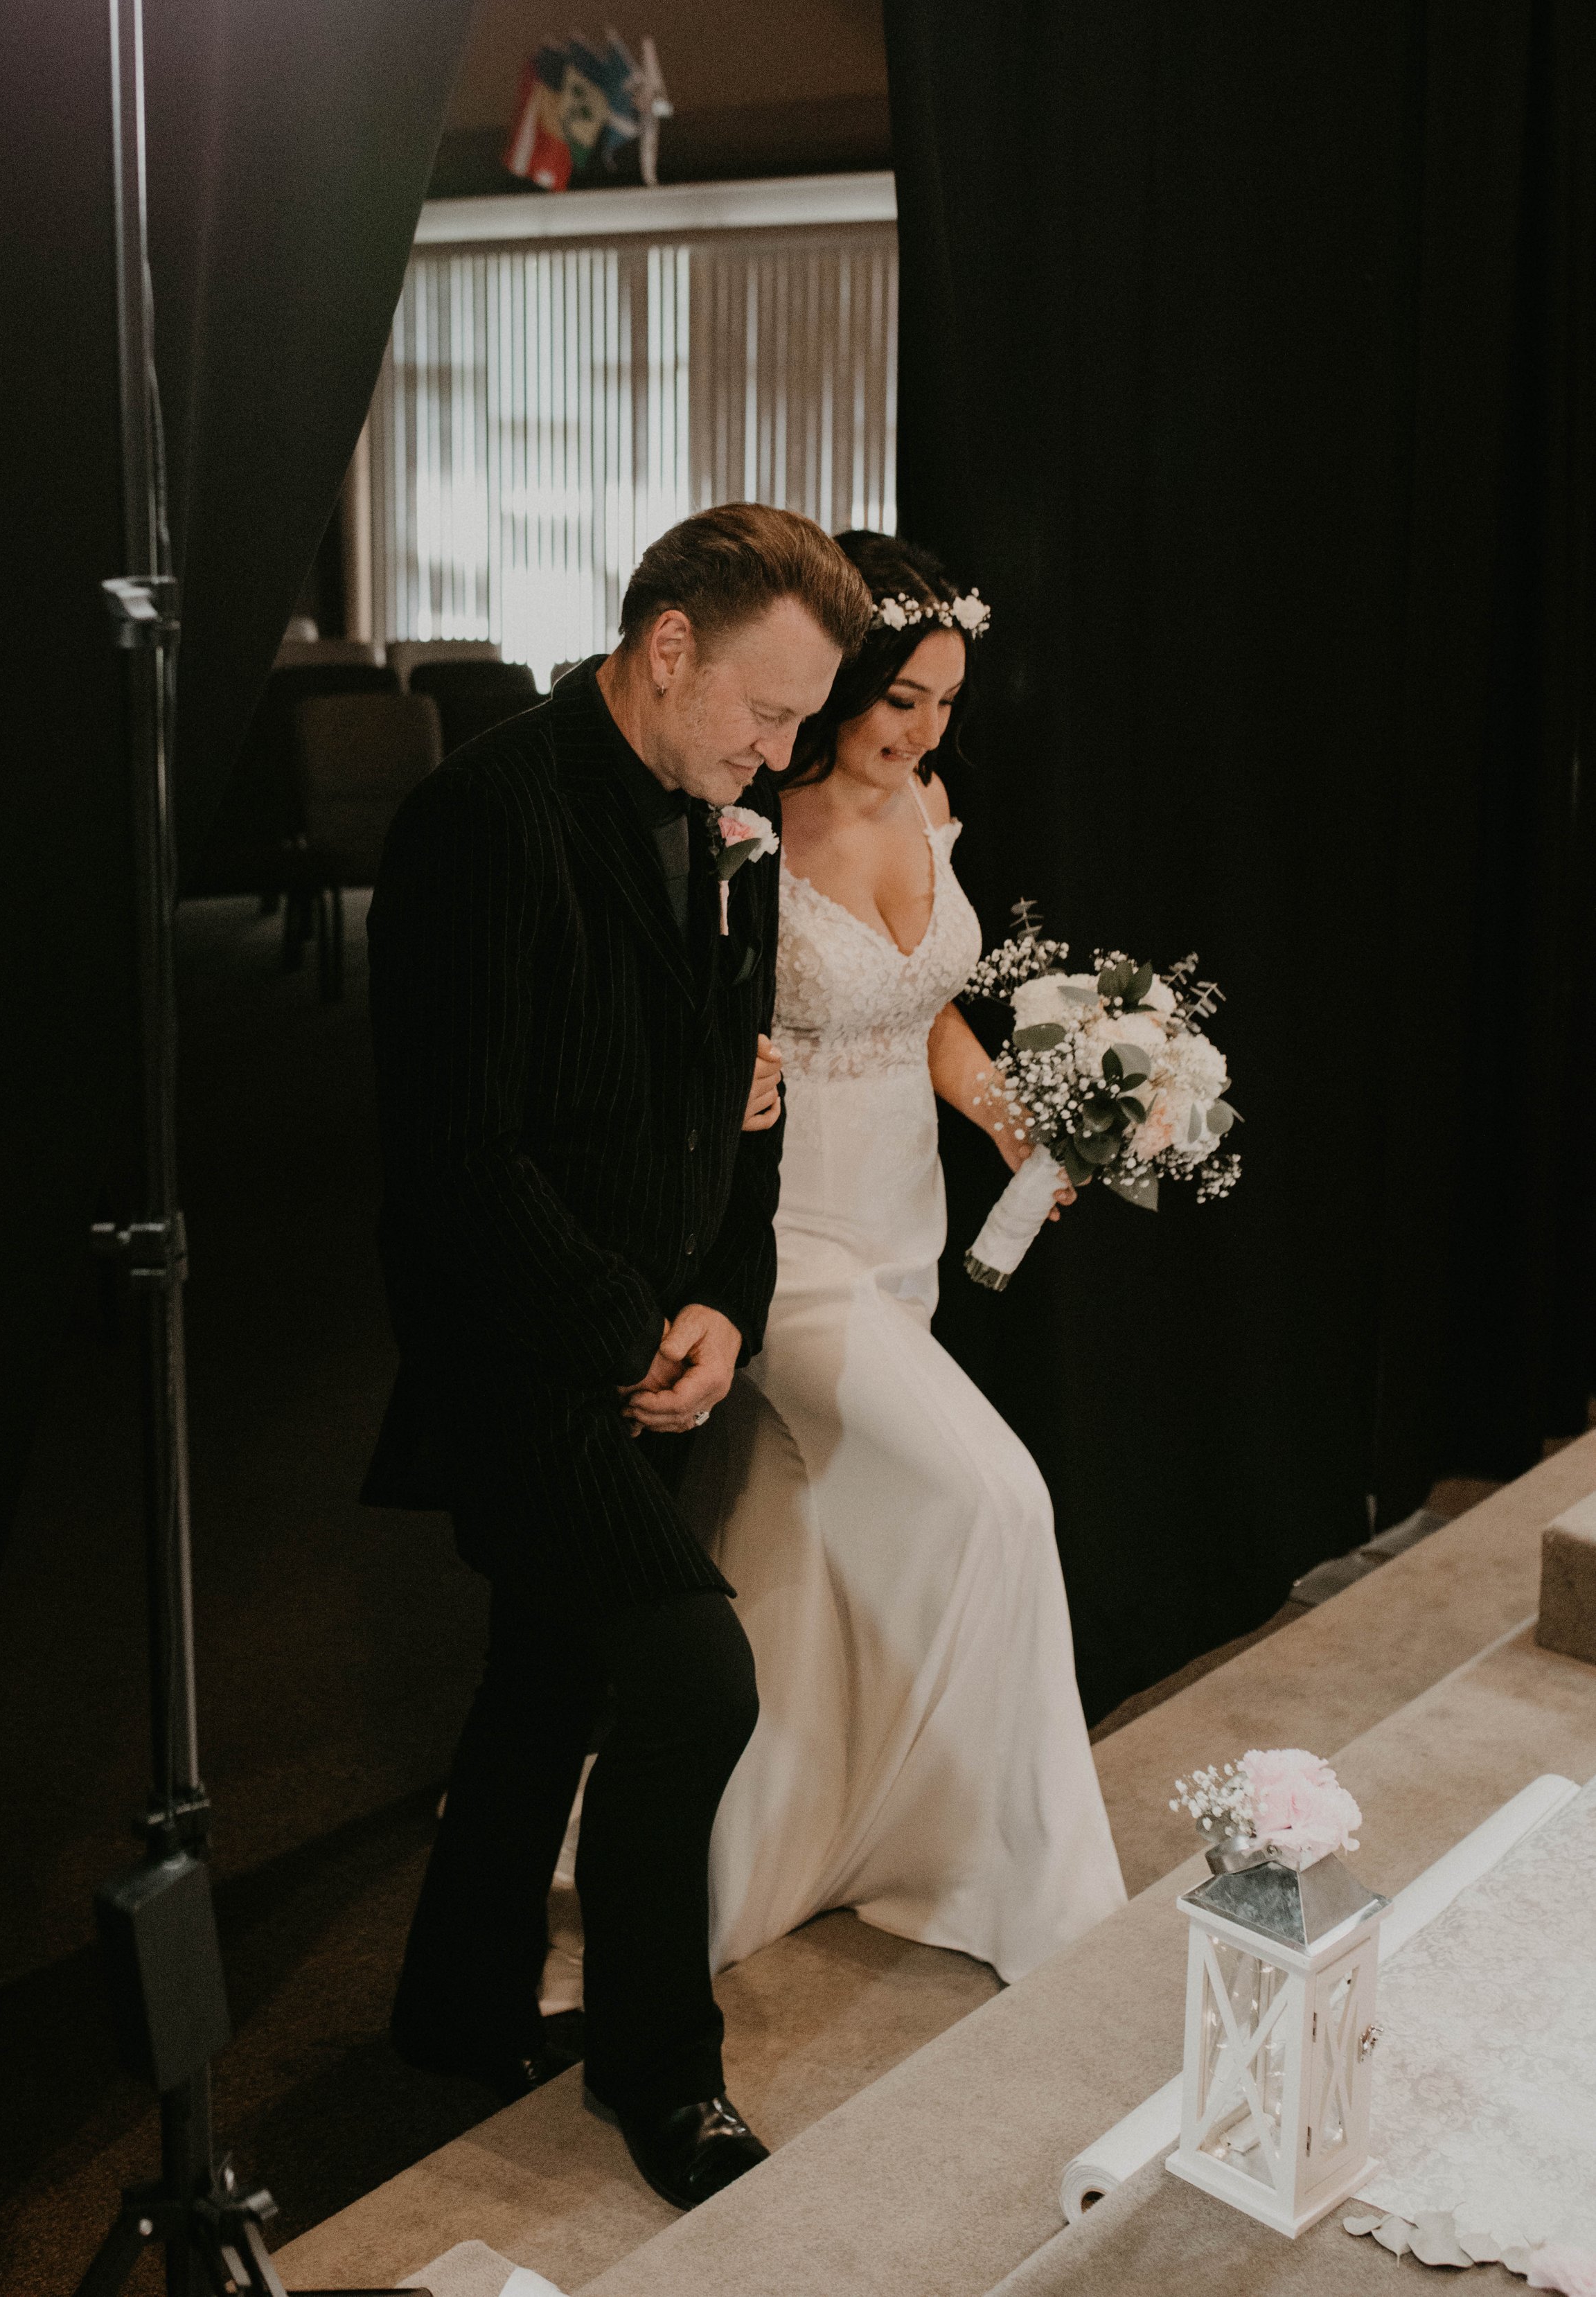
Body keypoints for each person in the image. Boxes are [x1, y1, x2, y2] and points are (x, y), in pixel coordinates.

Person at [360, 504, 871, 2210]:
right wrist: (630, 1329)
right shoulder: (478, 821)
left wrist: (727, 1290)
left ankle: (451, 2009)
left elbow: (749, 1093)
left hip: (663, 1336)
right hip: (528, 1355)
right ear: (669, 649)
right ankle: (664, 2073)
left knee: (549, 1675)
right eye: (771, 712)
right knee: (688, 1678)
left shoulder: (723, 824)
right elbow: (453, 1155)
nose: (784, 752)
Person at [693, 531, 1128, 1986]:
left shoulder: (927, 808)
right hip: (785, 1246)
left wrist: (1008, 1118)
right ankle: (1031, 1886)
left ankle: (759, 1851)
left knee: (799, 1554)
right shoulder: (750, 821)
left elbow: (925, 1005)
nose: (922, 732)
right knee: (998, 1497)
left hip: (904, 1239)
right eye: (900, 700)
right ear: (837, 687)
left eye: (945, 702)